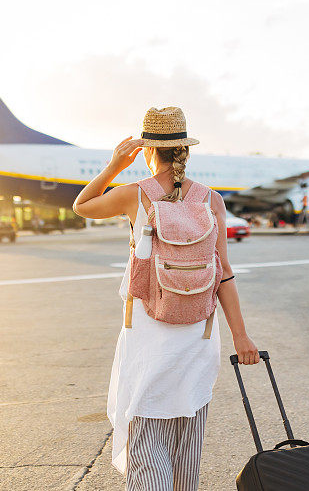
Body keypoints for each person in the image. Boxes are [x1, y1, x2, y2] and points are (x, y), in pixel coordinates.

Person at [72, 106, 259, 491]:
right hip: (199, 334)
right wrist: (242, 336)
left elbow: (82, 206)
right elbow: (223, 272)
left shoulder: (134, 196)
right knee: (188, 432)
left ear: (146, 150)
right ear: (184, 150)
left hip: (147, 333)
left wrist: (113, 166)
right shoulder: (212, 200)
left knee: (146, 426)